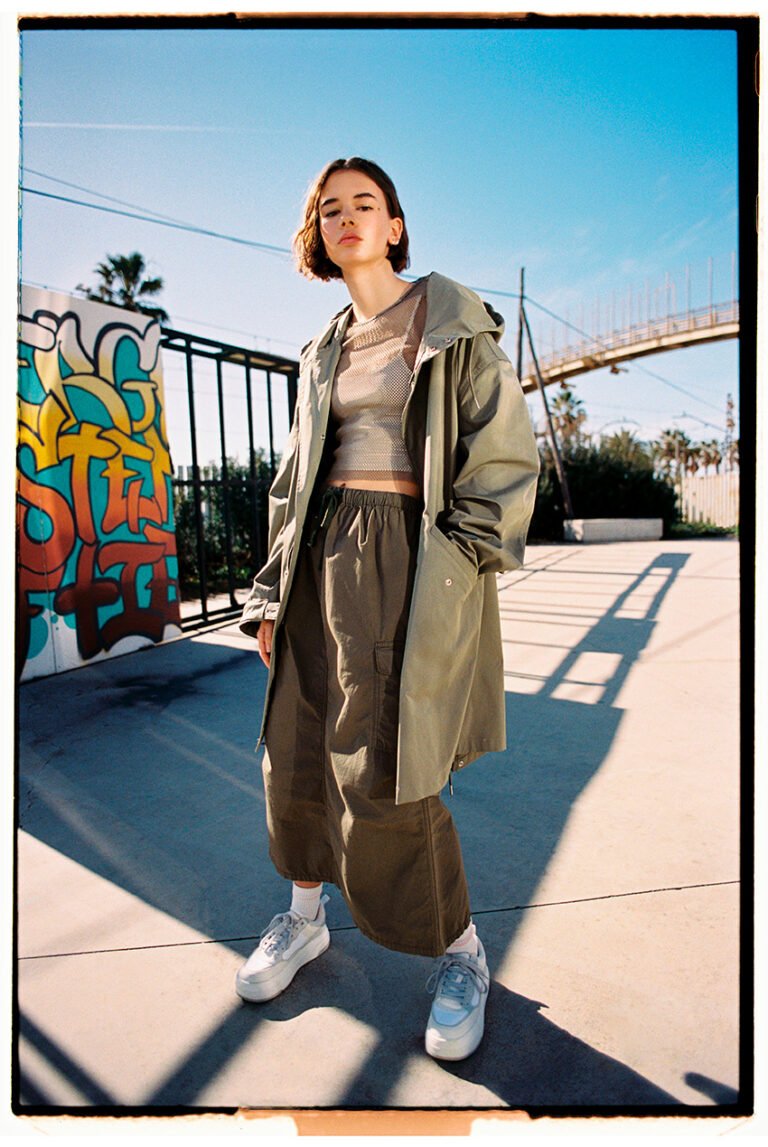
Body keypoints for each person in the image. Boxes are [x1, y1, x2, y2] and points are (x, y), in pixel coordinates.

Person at [236, 157, 539, 1061]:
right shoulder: (323, 346)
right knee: (294, 742)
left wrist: (452, 564)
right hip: (317, 554)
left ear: (395, 224)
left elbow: (502, 456)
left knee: (387, 768)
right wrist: (267, 592)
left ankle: (463, 953)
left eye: (364, 203)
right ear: (318, 233)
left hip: (406, 551)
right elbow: (296, 478)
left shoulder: (448, 320)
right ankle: (304, 918)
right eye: (330, 208)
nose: (347, 217)